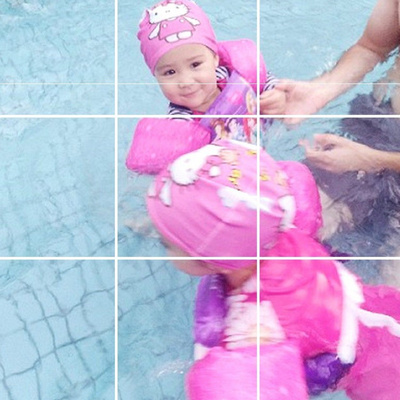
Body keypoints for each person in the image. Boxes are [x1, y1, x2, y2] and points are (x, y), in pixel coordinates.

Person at [146, 139, 400, 400]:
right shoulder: (276, 230)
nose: (162, 246)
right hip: (380, 309)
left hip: (378, 373)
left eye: (168, 244)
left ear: (209, 260)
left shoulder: (255, 326)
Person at [126, 0, 285, 174]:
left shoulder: (233, 74)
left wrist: (276, 94)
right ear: (156, 76)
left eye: (195, 65)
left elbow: (265, 80)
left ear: (215, 58)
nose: (186, 82)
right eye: (170, 72)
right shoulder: (181, 123)